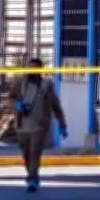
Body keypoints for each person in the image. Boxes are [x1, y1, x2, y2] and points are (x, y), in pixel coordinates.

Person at [8, 57, 68, 192]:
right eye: (29, 68)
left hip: (39, 126)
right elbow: (11, 98)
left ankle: (33, 179)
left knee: (35, 152)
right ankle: (31, 173)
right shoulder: (21, 83)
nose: (31, 71)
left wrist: (62, 124)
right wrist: (17, 105)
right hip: (22, 126)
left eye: (34, 68)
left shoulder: (47, 86)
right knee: (26, 153)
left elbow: (56, 106)